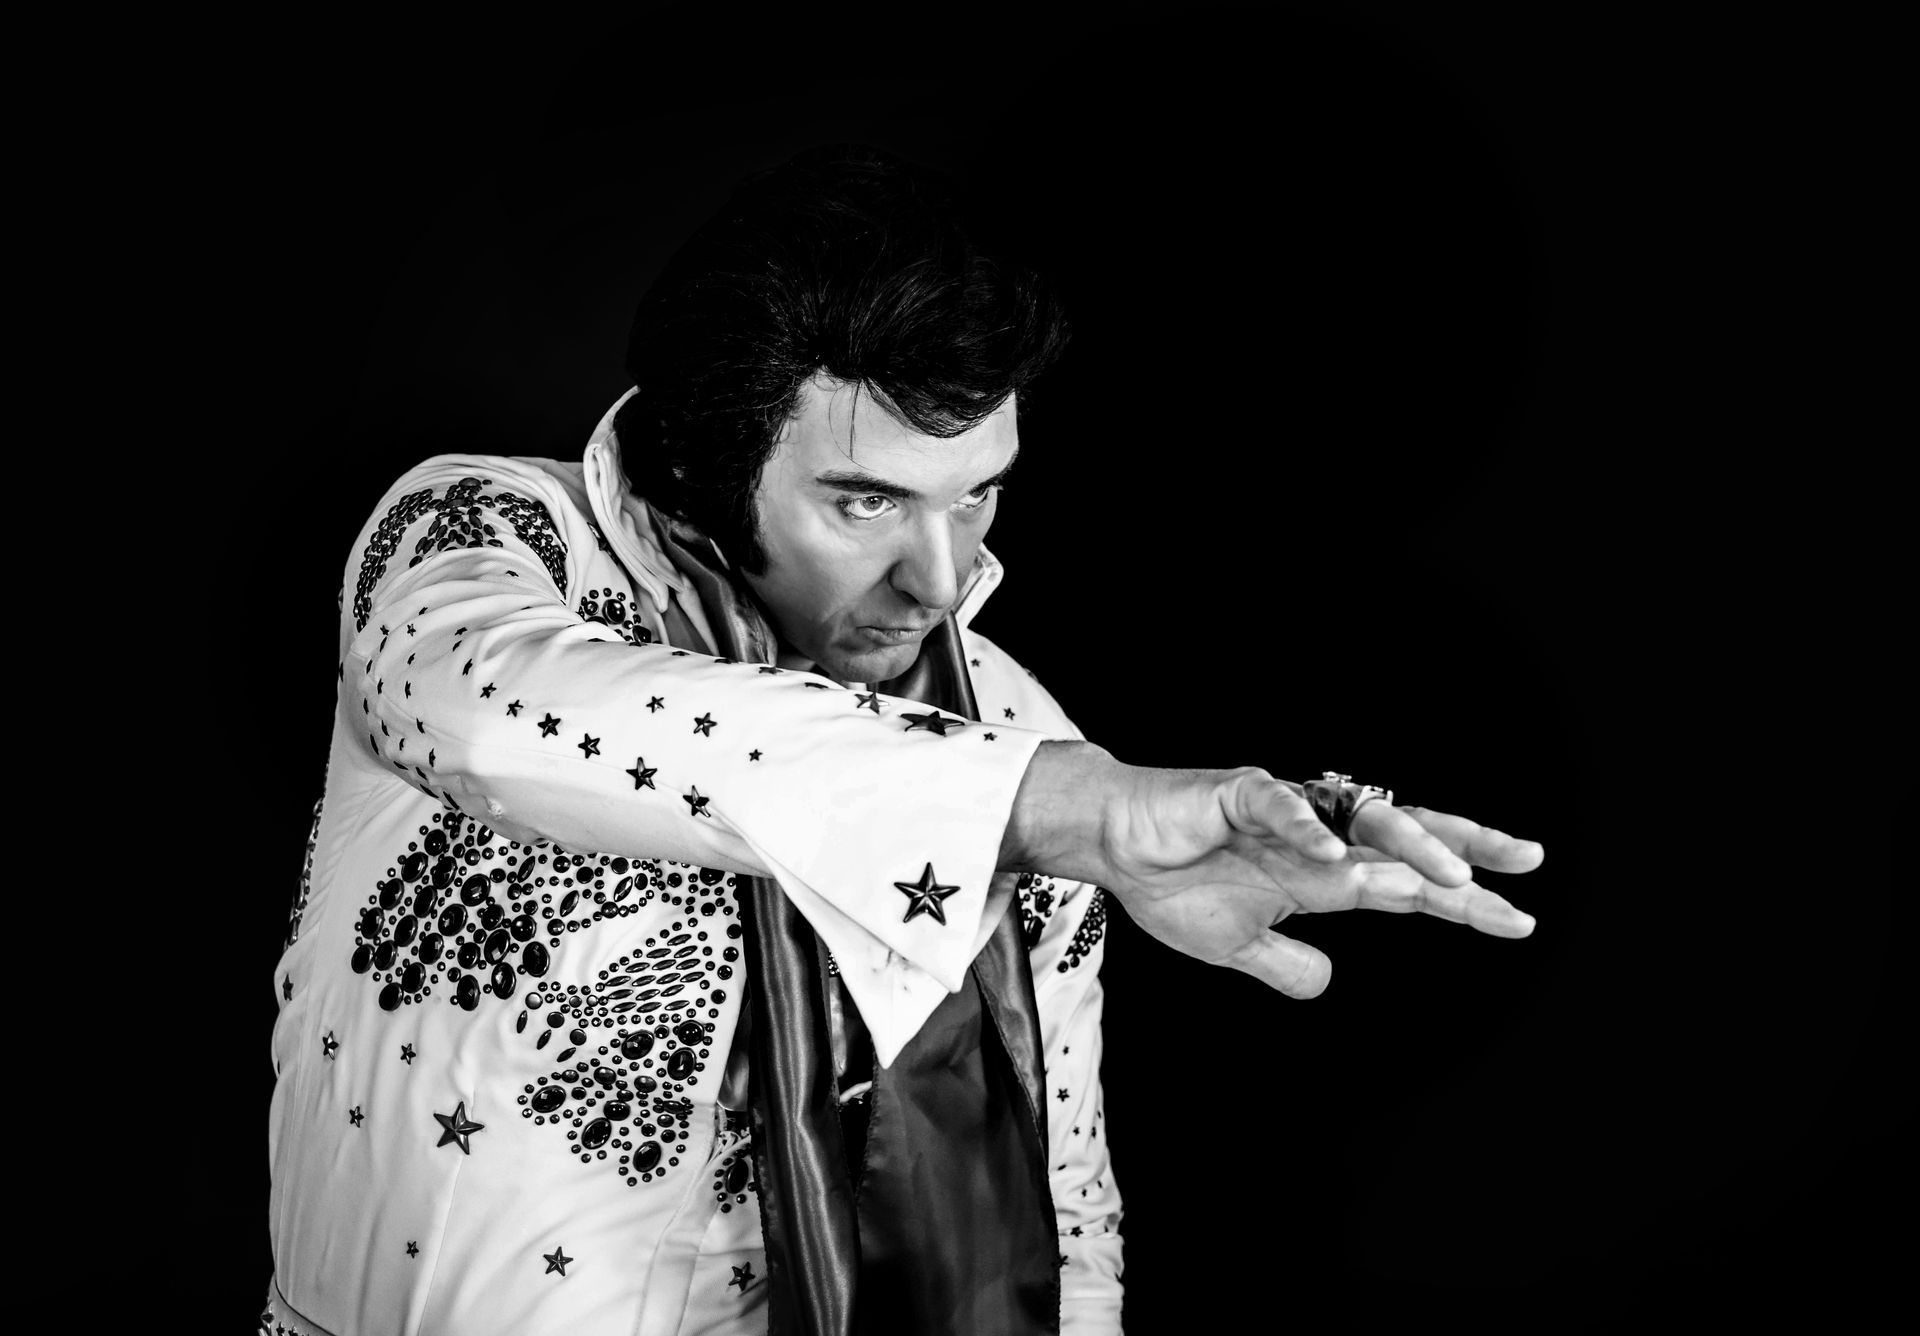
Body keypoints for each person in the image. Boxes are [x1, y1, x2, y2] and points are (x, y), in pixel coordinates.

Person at [264, 145, 1543, 1336]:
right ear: (709, 462)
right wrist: (1063, 809)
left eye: (977, 493)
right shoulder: (483, 536)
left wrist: (1085, 811)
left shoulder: (1018, 739)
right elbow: (489, 716)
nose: (942, 576)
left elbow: (1064, 1209)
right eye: (867, 502)